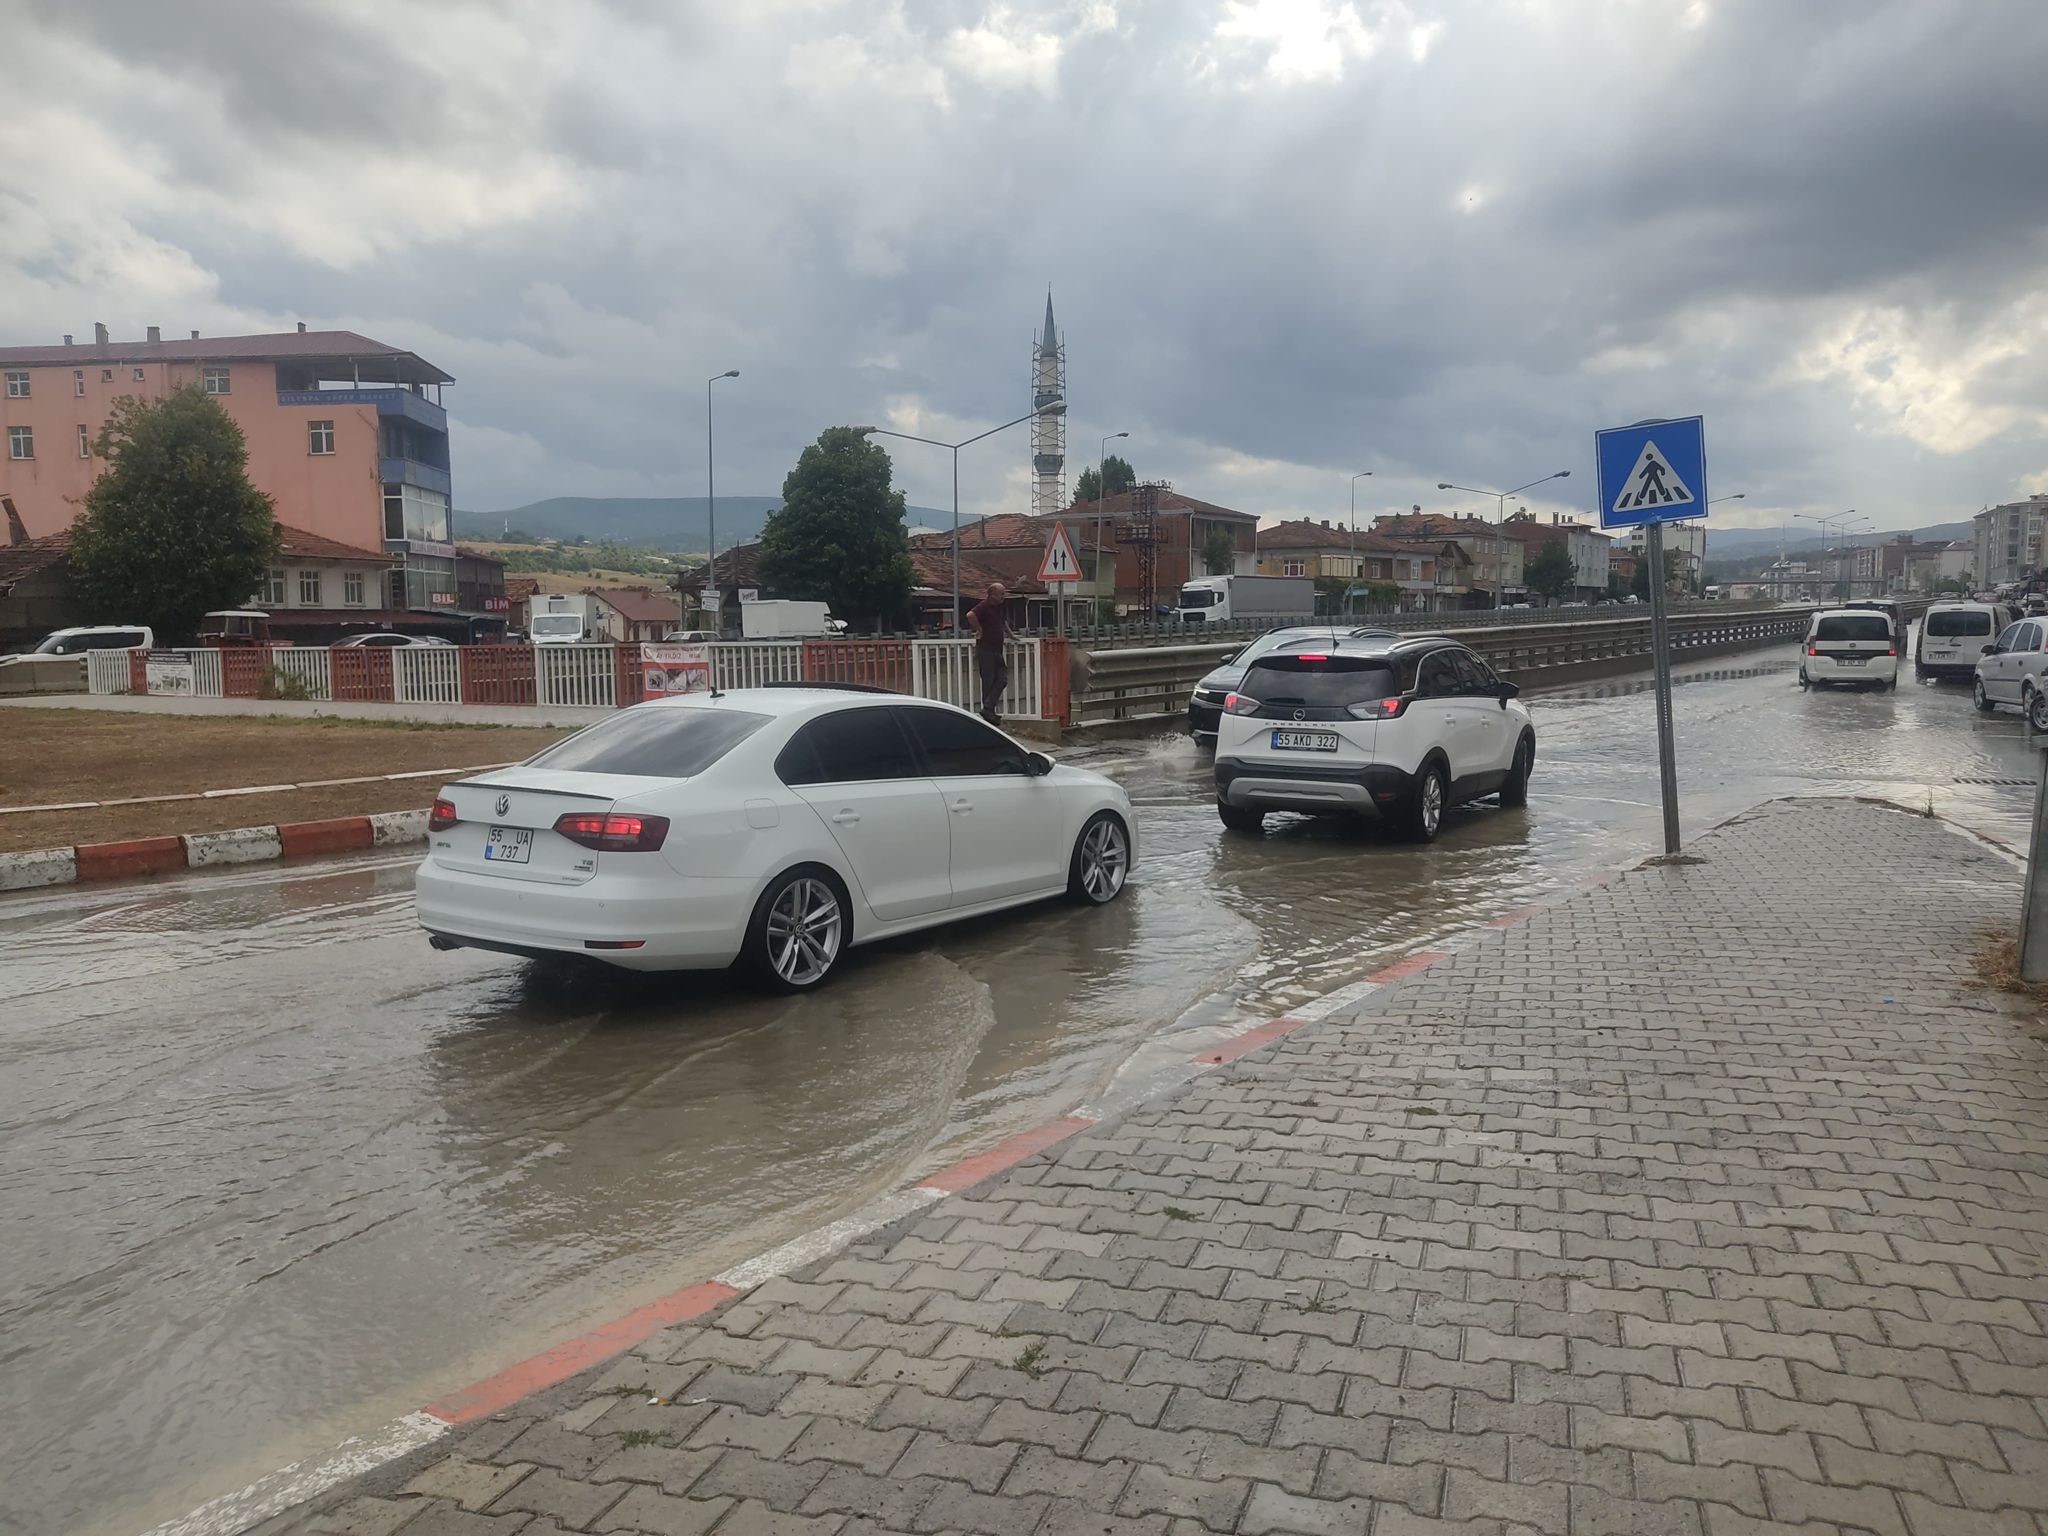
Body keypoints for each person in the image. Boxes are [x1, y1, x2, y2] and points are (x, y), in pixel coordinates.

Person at [964, 582, 1009, 722]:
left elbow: (1003, 622)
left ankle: (988, 708)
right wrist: (979, 629)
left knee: (1001, 679)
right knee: (988, 681)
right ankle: (989, 712)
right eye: (1001, 594)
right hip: (986, 649)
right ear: (992, 594)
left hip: (997, 649)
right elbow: (970, 615)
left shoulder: (998, 607)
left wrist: (1011, 635)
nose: (1004, 596)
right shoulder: (984, 606)